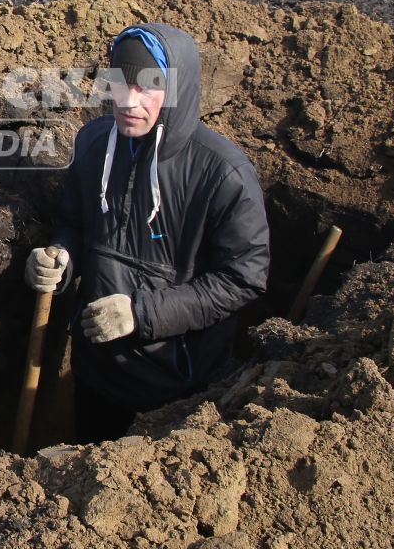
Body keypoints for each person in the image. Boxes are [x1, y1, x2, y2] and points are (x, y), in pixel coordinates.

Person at [25, 24, 270, 442]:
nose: (128, 101)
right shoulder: (93, 143)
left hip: (175, 386)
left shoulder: (223, 174)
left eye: (149, 87)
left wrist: (142, 314)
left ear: (177, 89)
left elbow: (244, 277)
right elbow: (75, 223)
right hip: (96, 367)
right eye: (120, 83)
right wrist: (60, 258)